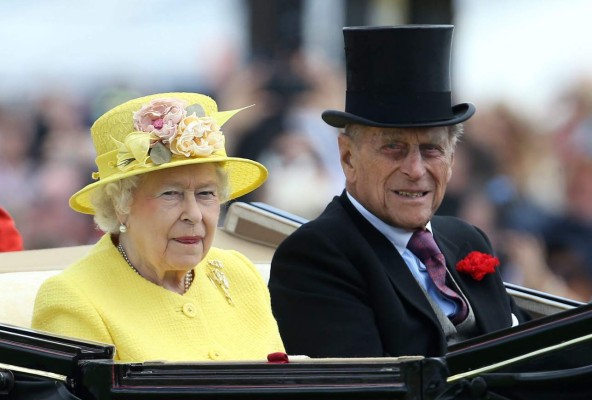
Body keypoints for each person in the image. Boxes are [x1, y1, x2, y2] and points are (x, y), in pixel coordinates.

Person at [268, 25, 529, 358]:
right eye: (393, 148)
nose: (416, 169)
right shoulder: (316, 256)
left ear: (451, 158)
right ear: (348, 157)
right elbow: (367, 388)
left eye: (431, 149)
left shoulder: (468, 239)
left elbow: (523, 356)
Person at [32, 93, 284, 362]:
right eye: (171, 194)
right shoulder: (73, 298)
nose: (194, 214)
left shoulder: (240, 273)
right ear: (121, 204)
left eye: (206, 193)